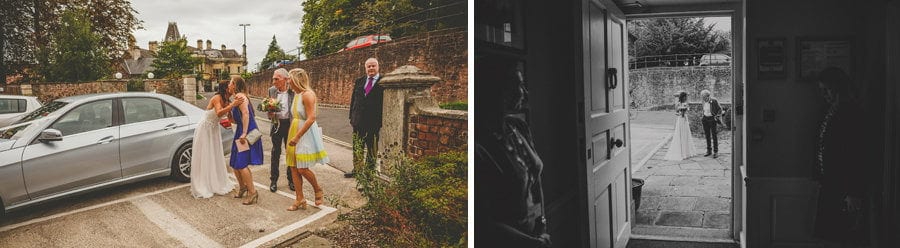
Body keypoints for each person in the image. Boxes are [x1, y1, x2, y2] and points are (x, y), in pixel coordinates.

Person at [475, 59, 551, 247]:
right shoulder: (479, 147)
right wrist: (531, 244)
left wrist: (542, 226)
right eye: (518, 85)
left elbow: (536, 179)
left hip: (536, 234)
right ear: (498, 91)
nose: (525, 92)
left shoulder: (518, 126)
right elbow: (484, 221)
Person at [813, 67, 877, 246]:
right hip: (830, 181)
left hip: (845, 185)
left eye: (827, 89)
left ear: (838, 87)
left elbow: (858, 154)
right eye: (821, 90)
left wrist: (853, 191)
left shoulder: (853, 113)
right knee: (832, 235)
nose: (824, 94)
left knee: (845, 236)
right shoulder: (829, 110)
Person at [285, 68, 329, 211]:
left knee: (302, 168)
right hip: (294, 128)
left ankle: (318, 189)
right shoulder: (297, 94)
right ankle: (299, 198)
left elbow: (311, 118)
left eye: (289, 78)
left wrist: (297, 136)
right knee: (293, 166)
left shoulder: (307, 95)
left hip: (305, 133)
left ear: (297, 79)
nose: (288, 81)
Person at [190, 82, 243, 198]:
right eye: (230, 85)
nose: (233, 87)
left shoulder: (227, 101)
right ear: (225, 88)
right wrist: (232, 105)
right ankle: (204, 183)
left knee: (214, 154)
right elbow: (219, 112)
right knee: (205, 155)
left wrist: (242, 122)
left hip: (214, 130)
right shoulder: (217, 98)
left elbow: (230, 119)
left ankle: (215, 181)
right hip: (205, 129)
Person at [227, 76, 264, 205]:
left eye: (230, 83)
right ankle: (243, 187)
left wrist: (244, 133)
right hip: (241, 131)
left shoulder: (240, 96)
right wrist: (230, 117)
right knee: (235, 162)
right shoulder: (237, 98)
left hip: (246, 133)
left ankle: (252, 192)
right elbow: (237, 119)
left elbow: (246, 114)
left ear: (235, 85)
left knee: (241, 163)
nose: (228, 86)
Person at [345, 57, 384, 178]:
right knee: (357, 147)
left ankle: (369, 173)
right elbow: (353, 100)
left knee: (372, 149)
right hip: (358, 121)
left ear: (378, 67)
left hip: (373, 122)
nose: (371, 68)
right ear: (365, 68)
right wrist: (351, 117)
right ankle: (357, 170)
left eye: (373, 66)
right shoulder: (359, 81)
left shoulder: (383, 82)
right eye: (369, 66)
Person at [267, 68, 295, 192]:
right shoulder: (272, 91)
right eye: (273, 79)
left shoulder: (293, 91)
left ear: (285, 79)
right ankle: (273, 180)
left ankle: (291, 180)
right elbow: (269, 109)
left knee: (290, 153)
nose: (274, 82)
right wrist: (270, 114)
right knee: (275, 153)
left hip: (289, 125)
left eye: (276, 79)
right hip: (276, 125)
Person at [664, 91, 696, 161]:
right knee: (680, 133)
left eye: (686, 97)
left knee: (686, 133)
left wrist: (685, 111)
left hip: (685, 119)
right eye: (685, 97)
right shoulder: (678, 103)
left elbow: (688, 110)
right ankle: (681, 151)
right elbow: (676, 112)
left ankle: (687, 151)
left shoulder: (686, 103)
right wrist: (680, 112)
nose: (686, 98)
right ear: (682, 97)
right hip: (680, 119)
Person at [700, 89, 723, 158]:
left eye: (704, 97)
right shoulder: (703, 101)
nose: (703, 99)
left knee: (714, 135)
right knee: (707, 135)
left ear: (708, 96)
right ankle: (709, 150)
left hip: (712, 119)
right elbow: (704, 109)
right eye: (702, 97)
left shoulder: (714, 100)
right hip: (705, 119)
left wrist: (717, 116)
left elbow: (720, 109)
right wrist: (702, 116)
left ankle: (715, 151)